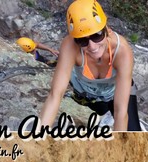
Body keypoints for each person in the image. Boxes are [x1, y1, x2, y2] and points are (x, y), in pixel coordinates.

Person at [39, 0, 141, 131]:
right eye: (82, 40)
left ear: (107, 30)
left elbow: (121, 112)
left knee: (133, 132)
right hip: (88, 93)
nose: (92, 47)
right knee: (101, 109)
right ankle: (105, 114)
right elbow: (55, 95)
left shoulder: (122, 52)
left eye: (96, 36)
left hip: (114, 92)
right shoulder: (70, 46)